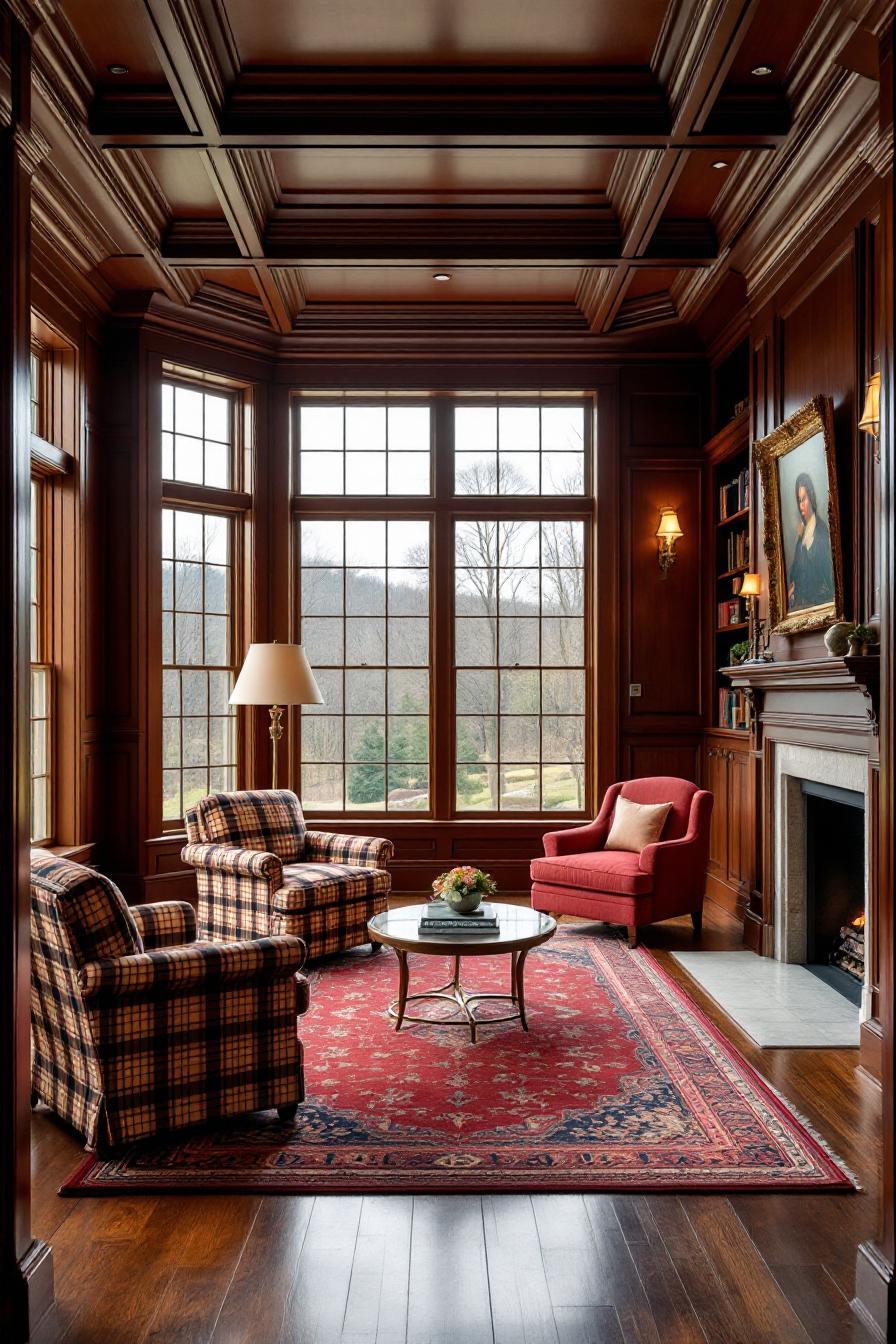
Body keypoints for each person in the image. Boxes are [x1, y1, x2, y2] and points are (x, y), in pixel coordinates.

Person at [787, 471, 834, 610]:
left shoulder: (820, 530)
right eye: (799, 500)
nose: (801, 505)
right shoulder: (803, 531)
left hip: (817, 604)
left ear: (811, 498)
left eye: (804, 499)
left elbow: (823, 570)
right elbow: (795, 569)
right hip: (801, 604)